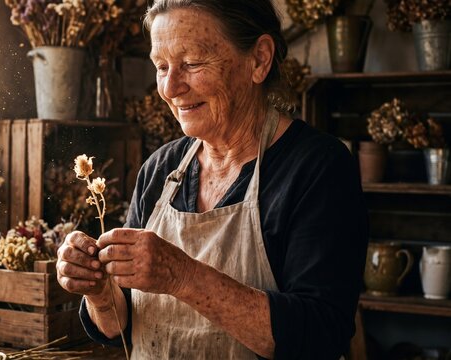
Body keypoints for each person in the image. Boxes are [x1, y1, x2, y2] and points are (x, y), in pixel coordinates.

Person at [56, 1, 368, 359]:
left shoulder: (318, 168)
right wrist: (98, 291)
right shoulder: (161, 169)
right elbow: (119, 327)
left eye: (191, 64)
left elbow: (321, 336)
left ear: (259, 60)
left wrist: (182, 276)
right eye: (161, 67)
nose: (171, 88)